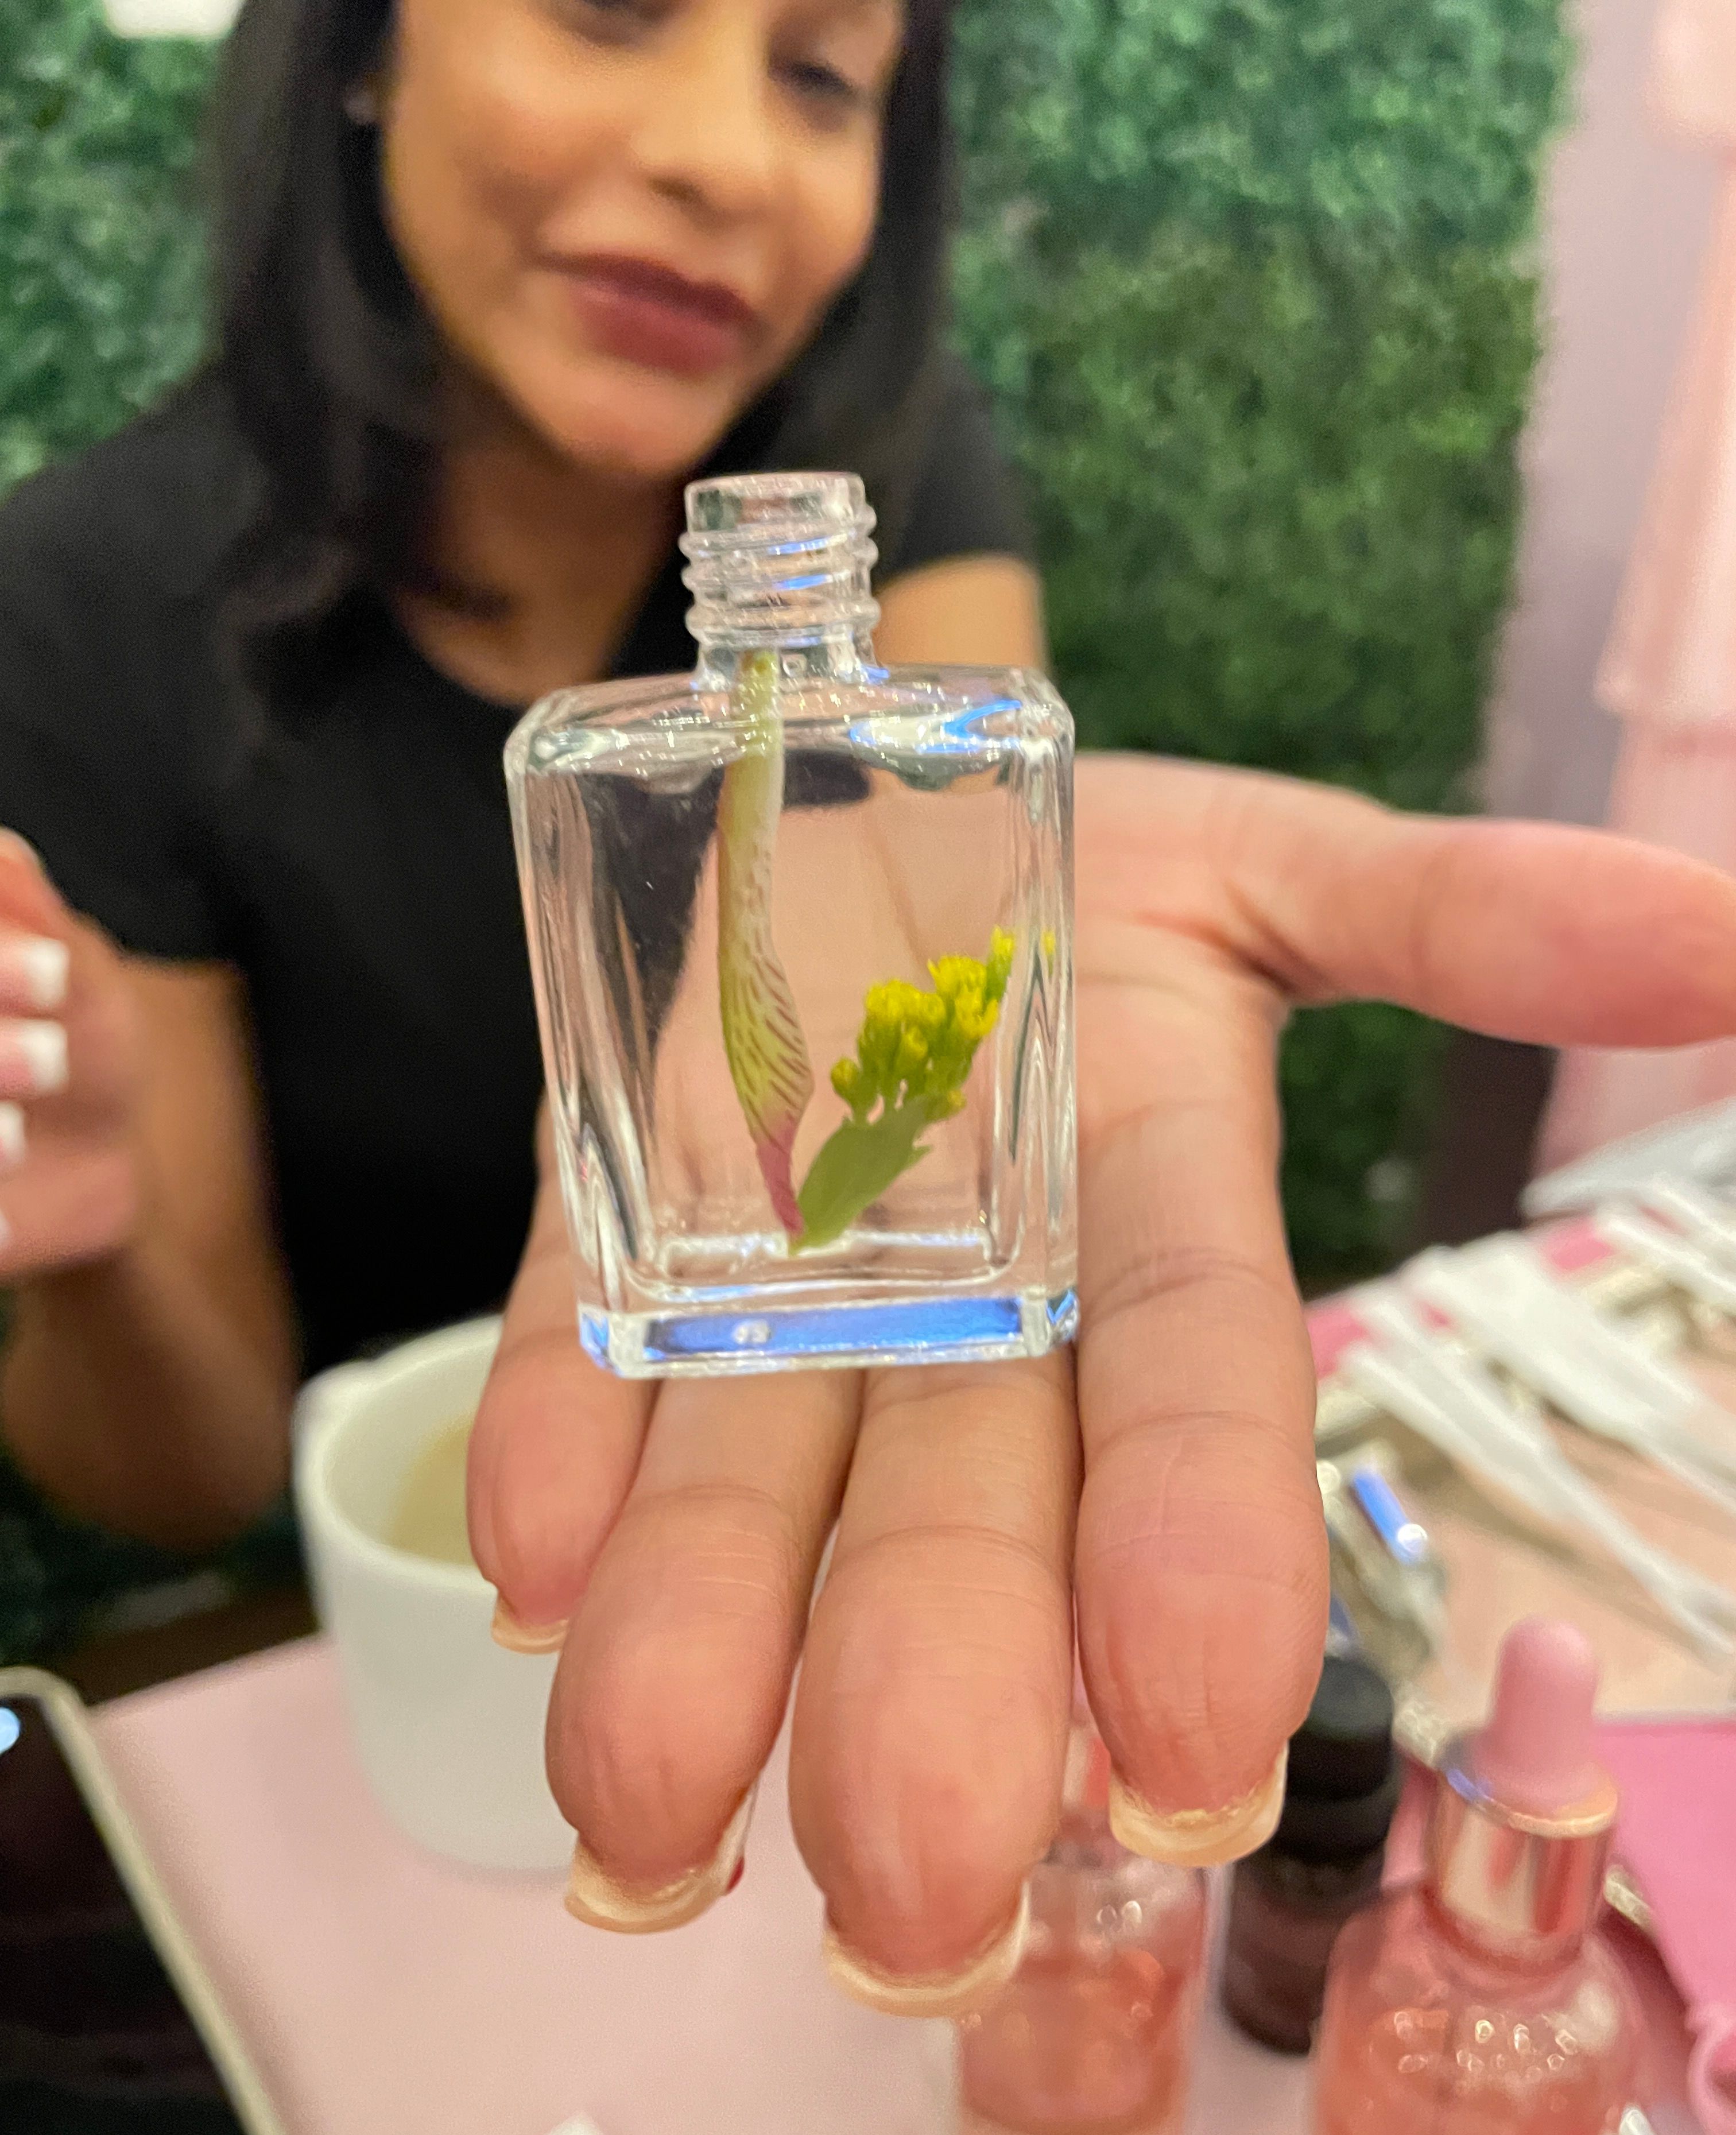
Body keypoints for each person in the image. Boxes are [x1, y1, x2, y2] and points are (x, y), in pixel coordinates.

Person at [1, 0, 1733, 2013]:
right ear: (362, 46)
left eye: (822, 77)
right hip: (385, 1658)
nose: (728, 154)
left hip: (813, 1623)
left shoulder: (895, 459)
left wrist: (989, 1033)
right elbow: (192, 1479)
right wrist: (96, 1231)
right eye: (612, 11)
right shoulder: (80, 608)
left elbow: (955, 908)